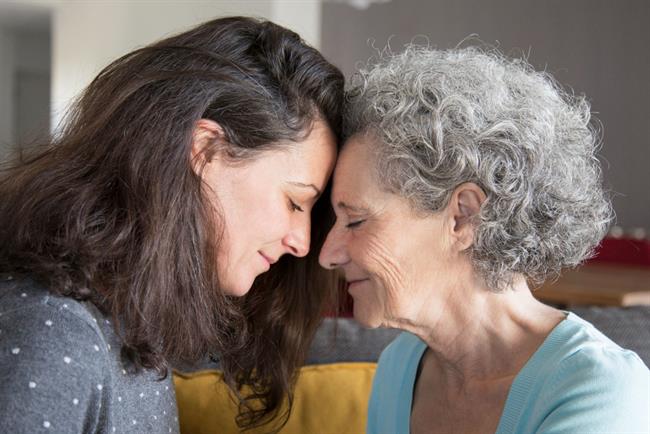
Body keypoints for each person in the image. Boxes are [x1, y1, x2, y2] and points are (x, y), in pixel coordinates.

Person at [0, 16, 343, 433]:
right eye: (294, 201)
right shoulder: (55, 334)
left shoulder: (132, 324)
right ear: (204, 150)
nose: (302, 242)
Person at [319, 46, 650, 434]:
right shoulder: (399, 369)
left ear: (463, 216)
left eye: (356, 220)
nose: (328, 254)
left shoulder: (599, 393)